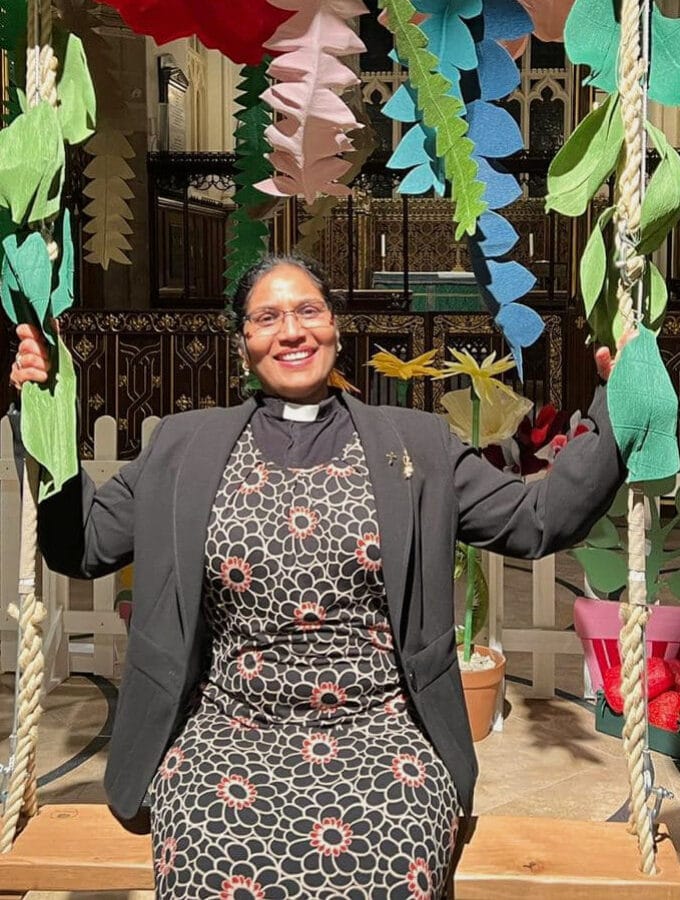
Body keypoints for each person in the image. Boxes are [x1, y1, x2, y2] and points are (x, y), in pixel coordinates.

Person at [10, 255, 626, 898]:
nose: (292, 331)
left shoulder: (417, 445)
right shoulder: (184, 447)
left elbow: (536, 520)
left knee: (394, 852)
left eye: (309, 311)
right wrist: (48, 415)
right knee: (206, 849)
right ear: (243, 341)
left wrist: (615, 399)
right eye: (267, 317)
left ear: (335, 326)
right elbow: (82, 544)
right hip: (227, 729)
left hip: (383, 732)